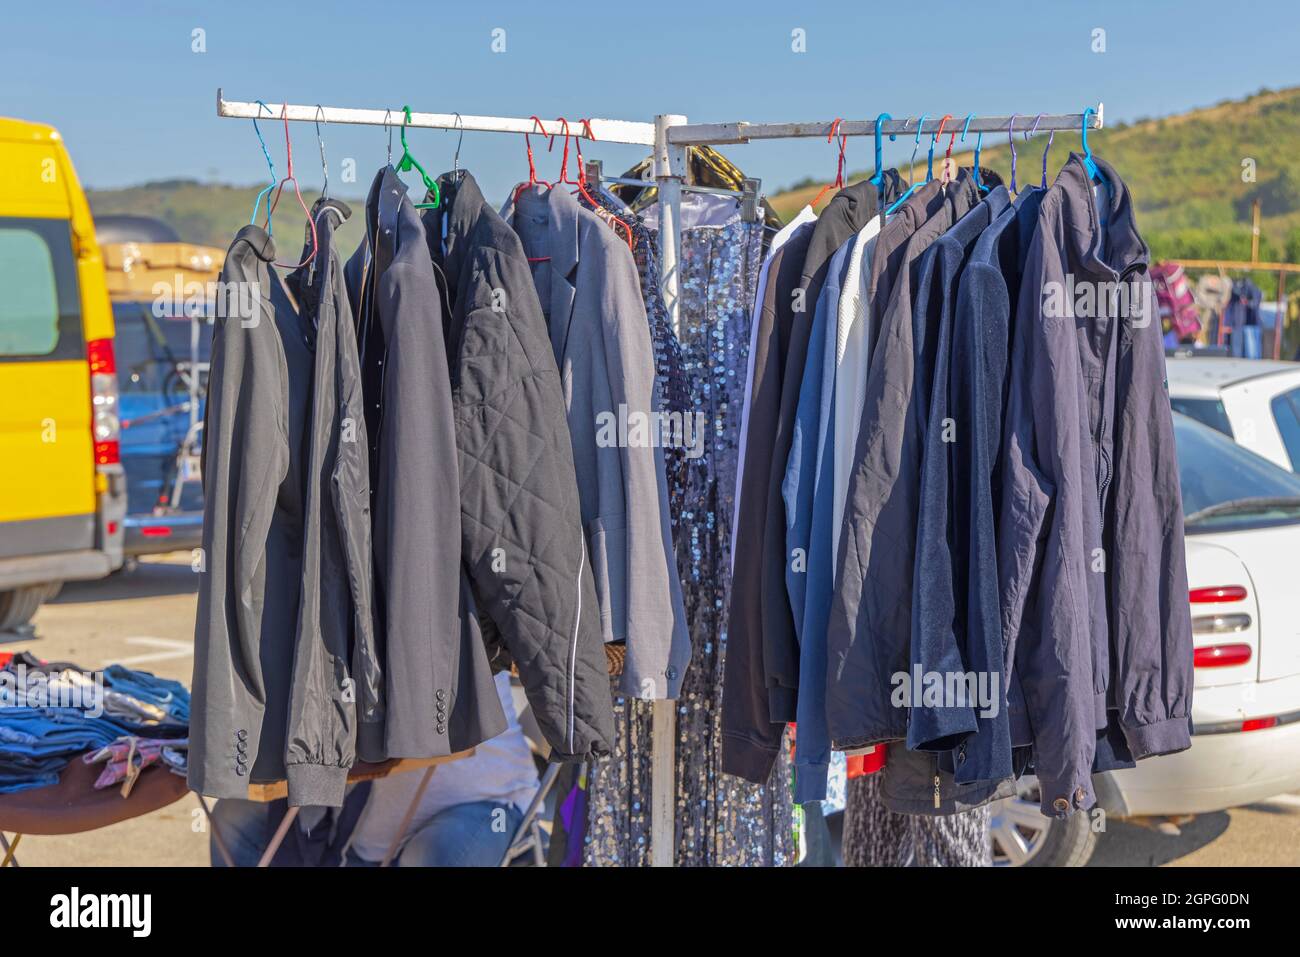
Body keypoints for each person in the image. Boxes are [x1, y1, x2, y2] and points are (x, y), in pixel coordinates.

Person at [208, 673, 539, 867]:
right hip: (362, 827)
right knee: (232, 818)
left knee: (427, 856)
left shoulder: (444, 577)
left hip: (486, 800)